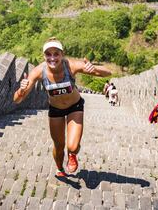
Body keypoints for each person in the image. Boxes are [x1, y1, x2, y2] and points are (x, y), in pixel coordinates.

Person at [13, 37, 112, 177]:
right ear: (44, 55)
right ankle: (60, 168)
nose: (52, 58)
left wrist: (95, 68)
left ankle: (73, 154)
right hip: (55, 110)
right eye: (48, 54)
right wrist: (21, 90)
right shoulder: (38, 71)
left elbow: (108, 73)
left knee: (72, 146)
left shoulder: (71, 65)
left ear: (62, 54)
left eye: (56, 54)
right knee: (59, 146)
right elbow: (17, 100)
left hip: (75, 107)